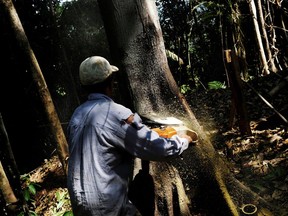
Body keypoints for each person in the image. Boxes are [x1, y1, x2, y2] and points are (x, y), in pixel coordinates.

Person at [67, 56, 194, 216]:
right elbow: (157, 149)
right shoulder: (116, 113)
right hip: (106, 205)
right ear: (110, 82)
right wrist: (185, 139)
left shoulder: (77, 115)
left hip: (79, 202)